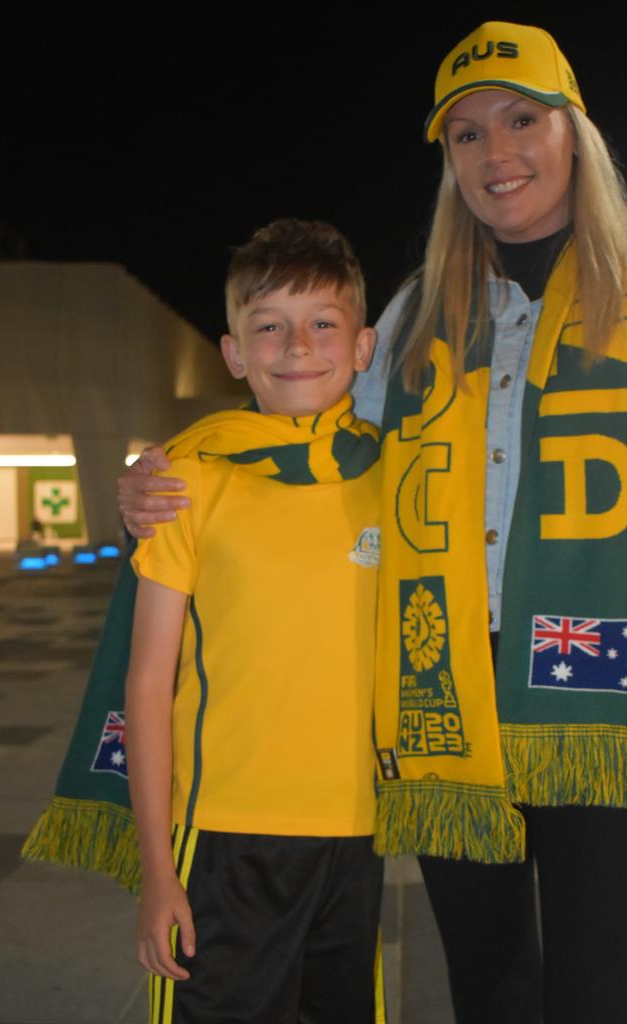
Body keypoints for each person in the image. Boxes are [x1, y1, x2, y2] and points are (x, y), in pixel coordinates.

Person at [117, 22, 627, 1024]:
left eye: (522, 119)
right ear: (448, 162)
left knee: (598, 999)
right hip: (445, 709)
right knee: (487, 989)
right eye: (466, 134)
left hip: (605, 703)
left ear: (577, 131)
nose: (497, 152)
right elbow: (309, 428)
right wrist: (163, 470)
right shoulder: (417, 314)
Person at [125, 219, 384, 1024]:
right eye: (268, 325)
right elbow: (147, 681)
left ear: (364, 346)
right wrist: (158, 869)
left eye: (322, 324)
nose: (296, 345)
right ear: (235, 353)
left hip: (357, 832)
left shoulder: (396, 476)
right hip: (225, 835)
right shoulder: (189, 478)